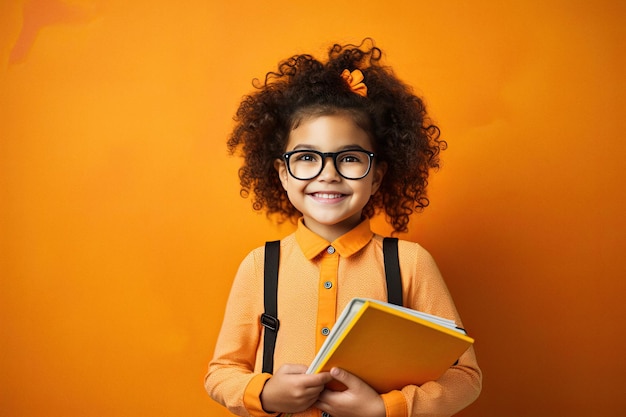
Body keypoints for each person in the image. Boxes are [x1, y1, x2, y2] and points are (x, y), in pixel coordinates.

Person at [205, 39, 482, 417]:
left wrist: (386, 409)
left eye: (349, 158)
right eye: (306, 158)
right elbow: (221, 373)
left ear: (378, 176)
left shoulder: (411, 263)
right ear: (283, 175)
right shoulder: (259, 267)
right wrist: (266, 393)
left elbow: (465, 377)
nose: (329, 175)